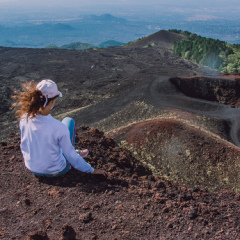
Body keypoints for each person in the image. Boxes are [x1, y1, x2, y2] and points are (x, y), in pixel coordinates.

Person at [11, 79, 107, 177]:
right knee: (68, 121)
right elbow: (71, 157)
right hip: (55, 171)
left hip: (32, 168)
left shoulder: (24, 118)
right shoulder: (58, 127)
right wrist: (91, 170)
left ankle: (62, 153)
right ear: (52, 101)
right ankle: (71, 153)